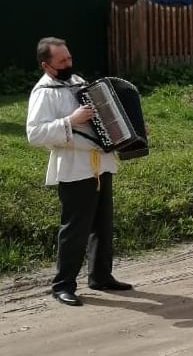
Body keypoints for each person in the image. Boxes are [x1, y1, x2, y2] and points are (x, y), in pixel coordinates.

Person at [26, 37, 133, 307]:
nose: (68, 64)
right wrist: (69, 121)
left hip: (100, 162)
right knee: (74, 230)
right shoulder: (43, 92)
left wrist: (128, 129)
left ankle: (100, 275)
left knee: (102, 224)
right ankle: (63, 285)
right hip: (74, 167)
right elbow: (34, 134)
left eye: (69, 58)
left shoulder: (78, 82)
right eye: (62, 61)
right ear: (46, 65)